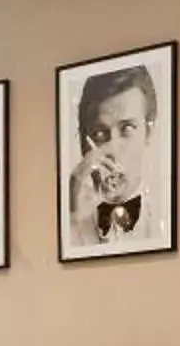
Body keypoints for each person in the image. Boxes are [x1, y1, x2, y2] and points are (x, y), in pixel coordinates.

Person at [67, 64, 165, 248]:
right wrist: (74, 220)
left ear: (148, 133)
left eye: (127, 129)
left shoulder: (165, 220)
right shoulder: (67, 225)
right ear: (82, 141)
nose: (112, 149)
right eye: (99, 134)